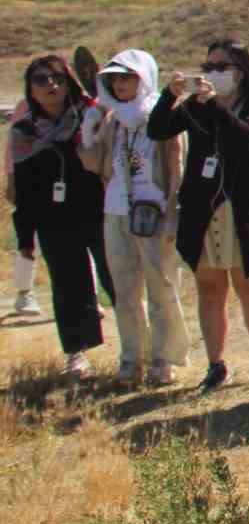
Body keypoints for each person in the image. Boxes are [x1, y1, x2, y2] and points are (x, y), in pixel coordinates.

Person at [148, 39, 249, 391]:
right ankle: (216, 364)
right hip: (201, 210)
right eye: (208, 67)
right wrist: (169, 96)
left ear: (240, 72)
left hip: (241, 212)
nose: (211, 74)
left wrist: (217, 108)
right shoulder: (195, 106)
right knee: (210, 290)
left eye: (220, 68)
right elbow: (158, 129)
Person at [78, 50, 190, 386]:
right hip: (116, 210)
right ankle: (131, 360)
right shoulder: (113, 120)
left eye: (127, 77)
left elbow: (177, 169)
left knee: (162, 288)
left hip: (154, 212)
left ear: (143, 78)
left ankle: (164, 359)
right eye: (114, 78)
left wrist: (173, 214)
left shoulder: (163, 116)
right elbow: (93, 162)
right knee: (125, 293)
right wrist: (89, 128)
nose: (120, 84)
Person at [6, 56, 112, 377]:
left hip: (100, 213)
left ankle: (137, 350)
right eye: (41, 80)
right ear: (30, 90)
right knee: (68, 287)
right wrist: (25, 239)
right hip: (54, 220)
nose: (51, 85)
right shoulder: (23, 132)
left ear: (68, 82)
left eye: (57, 78)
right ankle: (76, 354)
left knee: (117, 279)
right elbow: (23, 189)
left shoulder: (90, 117)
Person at [6, 100, 43, 316]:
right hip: (32, 184)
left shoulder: (77, 105)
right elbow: (12, 148)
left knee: (81, 239)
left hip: (68, 184)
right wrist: (12, 181)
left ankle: (91, 297)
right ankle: (24, 293)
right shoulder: (25, 106)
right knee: (28, 240)